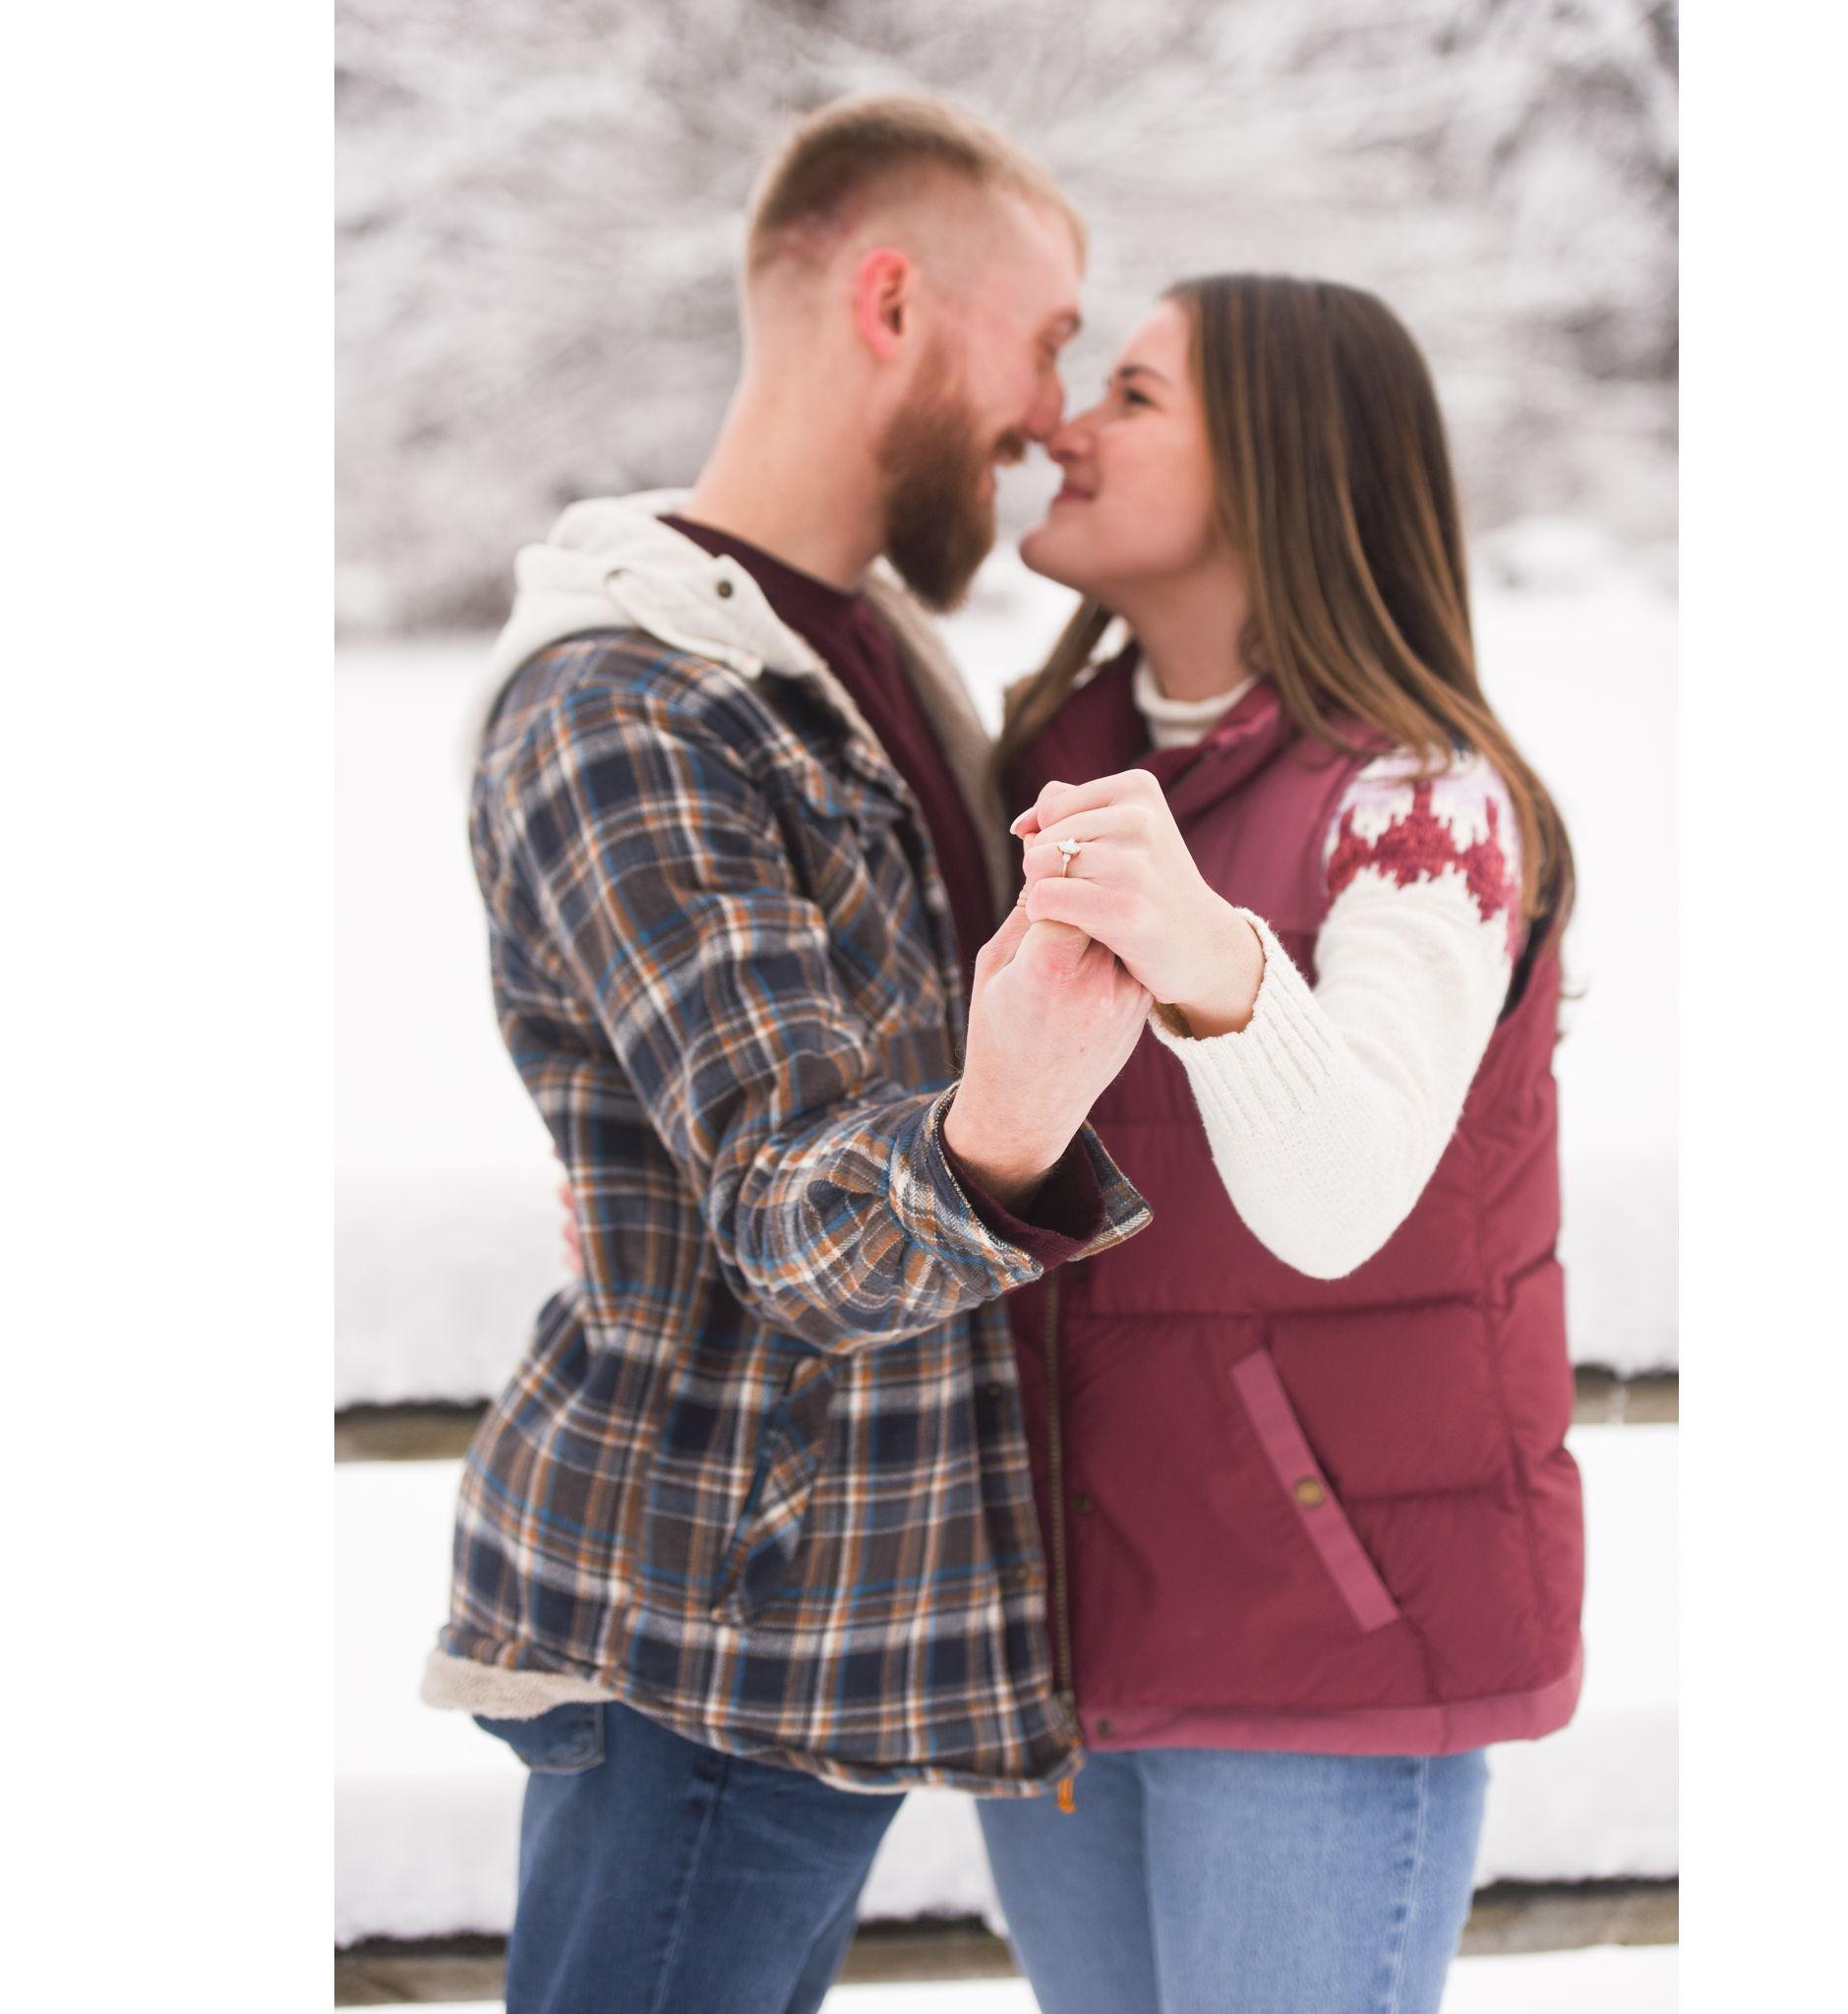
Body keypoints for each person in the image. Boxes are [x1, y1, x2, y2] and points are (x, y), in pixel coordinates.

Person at [419, 94, 1157, 2014]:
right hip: (706, 1645)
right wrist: (999, 1126)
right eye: (1050, 334)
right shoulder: (630, 703)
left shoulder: (863, 656)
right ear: (891, 299)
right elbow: (786, 1212)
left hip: (823, 1633)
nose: (1054, 412)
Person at [967, 276, 1587, 2014]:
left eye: (1137, 396)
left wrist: (1215, 953)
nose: (1064, 425)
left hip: (1326, 1643)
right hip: (1074, 1640)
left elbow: (1337, 1205)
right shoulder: (1046, 760)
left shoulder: (1424, 803)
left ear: (1277, 470)